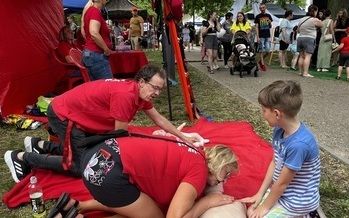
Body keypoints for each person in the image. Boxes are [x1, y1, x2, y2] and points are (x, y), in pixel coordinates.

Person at [4, 65, 203, 183]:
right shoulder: (125, 96)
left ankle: (40, 145)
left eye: (160, 90)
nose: (157, 94)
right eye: (155, 88)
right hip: (63, 114)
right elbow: (120, 136)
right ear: (141, 81)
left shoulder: (138, 93)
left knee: (87, 147)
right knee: (80, 166)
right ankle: (21, 157)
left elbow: (158, 118)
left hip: (71, 111)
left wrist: (184, 137)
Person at [44, 139, 238, 218]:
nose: (224, 182)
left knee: (143, 204)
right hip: (108, 176)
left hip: (97, 156)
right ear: (218, 164)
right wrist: (207, 202)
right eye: (226, 174)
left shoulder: (194, 151)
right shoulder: (199, 172)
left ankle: (78, 205)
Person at [239, 80, 332, 218]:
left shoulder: (299, 144)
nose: (262, 114)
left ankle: (308, 216)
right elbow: (275, 161)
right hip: (284, 193)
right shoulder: (279, 129)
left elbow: (282, 183)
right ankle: (293, 212)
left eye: (263, 110)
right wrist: (260, 194)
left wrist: (265, 207)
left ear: (276, 114)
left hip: (297, 200)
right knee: (251, 210)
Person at [81, 0, 113, 80]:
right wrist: (106, 49)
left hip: (90, 53)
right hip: (96, 53)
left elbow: (85, 33)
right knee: (108, 85)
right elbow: (94, 33)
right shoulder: (95, 11)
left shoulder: (89, 12)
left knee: (96, 87)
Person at [297, 5, 324, 77]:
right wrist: (320, 19)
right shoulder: (314, 19)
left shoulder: (302, 19)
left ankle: (300, 72)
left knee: (301, 56)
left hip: (300, 38)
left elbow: (298, 30)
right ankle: (305, 73)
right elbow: (322, 25)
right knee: (307, 56)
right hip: (309, 39)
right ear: (315, 11)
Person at [255, 3, 273, 72]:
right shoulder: (258, 16)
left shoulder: (268, 16)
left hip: (267, 35)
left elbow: (270, 26)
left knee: (268, 50)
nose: (262, 9)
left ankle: (260, 61)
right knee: (261, 50)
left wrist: (270, 22)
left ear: (265, 8)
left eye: (263, 8)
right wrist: (258, 36)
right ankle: (262, 64)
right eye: (261, 8)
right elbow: (256, 27)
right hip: (261, 35)